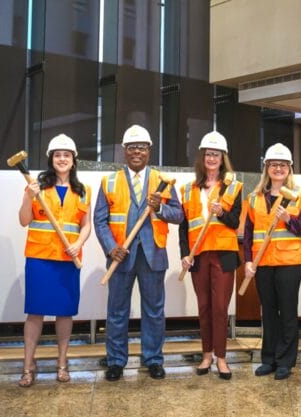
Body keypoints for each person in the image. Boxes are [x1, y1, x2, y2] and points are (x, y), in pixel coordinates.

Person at [94, 124, 184, 381]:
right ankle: (116, 361)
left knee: (154, 310)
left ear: (149, 151)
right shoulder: (109, 181)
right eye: (132, 147)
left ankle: (153, 359)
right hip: (120, 255)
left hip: (152, 255)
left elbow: (178, 215)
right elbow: (100, 220)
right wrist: (111, 248)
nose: (137, 152)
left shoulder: (162, 181)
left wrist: (160, 209)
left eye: (141, 147)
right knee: (117, 311)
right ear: (124, 150)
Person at [17, 134, 91, 387]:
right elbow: (24, 221)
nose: (62, 159)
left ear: (73, 160)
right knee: (35, 312)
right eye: (57, 155)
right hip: (40, 259)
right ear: (51, 159)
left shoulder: (83, 191)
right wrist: (28, 197)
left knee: (65, 313)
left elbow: (86, 225)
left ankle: (62, 362)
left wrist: (79, 244)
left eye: (66, 155)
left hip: (68, 259)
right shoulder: (36, 186)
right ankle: (28, 366)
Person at [243, 143, 301, 380]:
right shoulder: (254, 198)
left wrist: (289, 219)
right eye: (273, 164)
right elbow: (248, 234)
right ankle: (269, 359)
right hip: (262, 263)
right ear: (267, 168)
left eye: (282, 165)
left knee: (288, 312)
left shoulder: (300, 194)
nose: (278, 168)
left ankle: (285, 361)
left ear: (289, 168)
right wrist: (248, 261)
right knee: (269, 312)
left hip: (289, 262)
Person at [178, 131, 243, 380]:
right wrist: (185, 254)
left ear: (223, 157)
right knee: (204, 307)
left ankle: (222, 358)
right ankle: (206, 355)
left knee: (220, 308)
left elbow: (235, 221)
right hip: (198, 256)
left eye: (216, 154)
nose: (212, 158)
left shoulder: (233, 187)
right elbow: (184, 226)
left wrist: (222, 213)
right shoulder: (188, 189)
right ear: (202, 157)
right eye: (208, 154)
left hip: (223, 255)